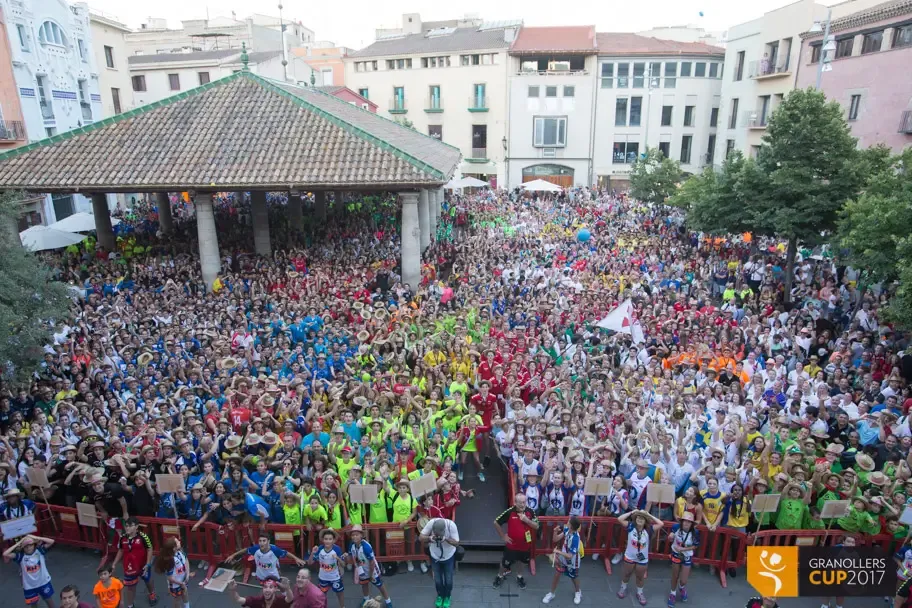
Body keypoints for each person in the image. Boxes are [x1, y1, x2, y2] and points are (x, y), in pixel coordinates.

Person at [616, 509, 664, 606]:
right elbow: (619, 519)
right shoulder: (630, 526)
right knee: (627, 574)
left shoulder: (649, 529)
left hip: (642, 559)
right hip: (629, 556)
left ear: (645, 520)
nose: (640, 519)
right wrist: (632, 512)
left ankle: (640, 593)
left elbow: (661, 523)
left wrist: (649, 514)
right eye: (638, 517)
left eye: (642, 518)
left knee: (640, 577)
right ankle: (623, 587)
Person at [493, 493, 540, 590]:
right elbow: (496, 522)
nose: (522, 505)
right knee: (505, 563)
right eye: (520, 503)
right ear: (515, 503)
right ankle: (499, 576)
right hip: (511, 546)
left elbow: (536, 526)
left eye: (524, 502)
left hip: (525, 545)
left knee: (522, 562)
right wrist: (503, 536)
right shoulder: (509, 512)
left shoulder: (530, 511)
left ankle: (519, 576)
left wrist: (527, 520)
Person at [111, 517, 157, 608]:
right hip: (129, 567)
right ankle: (130, 605)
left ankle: (152, 594)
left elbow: (149, 549)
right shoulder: (123, 538)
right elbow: (120, 550)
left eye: (130, 526)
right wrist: (114, 563)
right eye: (126, 526)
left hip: (143, 566)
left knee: (148, 580)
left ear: (136, 526)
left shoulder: (143, 536)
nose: (127, 528)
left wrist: (148, 564)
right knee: (130, 587)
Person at [225, 533, 307, 584]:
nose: (261, 543)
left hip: (273, 576)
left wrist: (296, 559)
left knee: (272, 592)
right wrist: (233, 555)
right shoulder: (256, 549)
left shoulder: (274, 550)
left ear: (268, 541)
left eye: (264, 541)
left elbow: (286, 553)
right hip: (261, 575)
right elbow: (245, 550)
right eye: (260, 541)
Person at [4, 534, 57, 608]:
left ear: (34, 545)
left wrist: (36, 537)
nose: (28, 547)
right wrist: (19, 543)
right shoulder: (20, 556)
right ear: (23, 547)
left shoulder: (40, 551)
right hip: (29, 586)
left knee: (50, 602)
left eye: (30, 545)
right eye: (26, 546)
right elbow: (5, 554)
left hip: (43, 582)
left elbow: (52, 541)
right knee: (33, 605)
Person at [347, 525, 393, 607]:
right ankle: (366, 598)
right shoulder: (351, 545)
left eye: (357, 535)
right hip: (361, 569)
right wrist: (346, 556)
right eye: (353, 535)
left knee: (379, 585)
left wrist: (371, 574)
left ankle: (388, 601)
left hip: (372, 569)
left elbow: (372, 562)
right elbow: (350, 558)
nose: (354, 537)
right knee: (364, 584)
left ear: (361, 535)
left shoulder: (366, 547)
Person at [542, 515, 583, 605]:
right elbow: (555, 539)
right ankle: (552, 593)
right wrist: (555, 532)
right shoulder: (567, 530)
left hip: (573, 561)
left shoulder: (575, 538)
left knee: (574, 577)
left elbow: (570, 556)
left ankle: (578, 592)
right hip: (563, 559)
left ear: (571, 526)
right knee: (557, 574)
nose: (567, 522)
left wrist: (558, 552)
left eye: (569, 522)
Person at [419, 518, 460, 608]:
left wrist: (446, 539)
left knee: (448, 579)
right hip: (435, 556)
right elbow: (420, 537)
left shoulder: (451, 525)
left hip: (448, 556)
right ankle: (440, 596)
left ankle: (447, 597)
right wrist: (429, 538)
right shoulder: (431, 523)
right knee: (437, 579)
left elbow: (457, 543)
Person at [668, 512, 700, 606]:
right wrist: (670, 537)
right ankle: (672, 593)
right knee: (675, 575)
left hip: (687, 555)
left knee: (684, 580)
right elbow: (670, 536)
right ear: (681, 522)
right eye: (685, 521)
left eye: (689, 522)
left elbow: (695, 546)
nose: (686, 523)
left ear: (692, 523)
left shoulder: (695, 532)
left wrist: (684, 549)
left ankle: (681, 587)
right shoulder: (675, 527)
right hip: (675, 554)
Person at [308, 529, 345, 608]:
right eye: (326, 539)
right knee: (322, 595)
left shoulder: (337, 549)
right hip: (323, 578)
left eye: (330, 539)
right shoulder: (319, 549)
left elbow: (343, 564)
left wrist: (338, 558)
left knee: (340, 593)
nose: (328, 541)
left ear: (333, 540)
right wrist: (312, 553)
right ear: (322, 540)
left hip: (335, 577)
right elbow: (310, 563)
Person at [153, 537, 190, 608]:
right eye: (177, 542)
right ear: (174, 548)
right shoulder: (170, 560)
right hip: (175, 585)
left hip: (183, 580)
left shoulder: (180, 551)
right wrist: (181, 583)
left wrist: (187, 575)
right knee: (177, 599)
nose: (179, 541)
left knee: (185, 593)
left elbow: (186, 560)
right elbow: (170, 578)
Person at [227, 577, 293, 608]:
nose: (267, 590)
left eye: (270, 587)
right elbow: (238, 599)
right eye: (265, 587)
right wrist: (232, 590)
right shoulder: (256, 600)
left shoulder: (280, 600)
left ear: (275, 589)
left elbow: (290, 598)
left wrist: (288, 588)